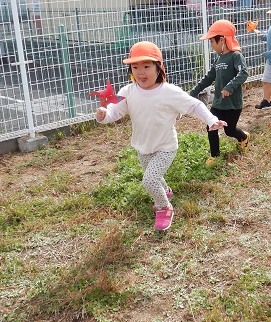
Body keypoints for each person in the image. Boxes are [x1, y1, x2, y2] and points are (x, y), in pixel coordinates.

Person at [96, 41, 226, 231]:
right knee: (153, 176)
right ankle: (165, 191)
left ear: (159, 68)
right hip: (142, 146)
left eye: (146, 66)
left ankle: (164, 207)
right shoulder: (128, 92)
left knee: (149, 180)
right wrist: (103, 115)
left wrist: (211, 119)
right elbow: (114, 112)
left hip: (165, 147)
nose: (140, 72)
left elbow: (194, 105)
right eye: (135, 67)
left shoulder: (169, 92)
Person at [189, 20, 250, 166]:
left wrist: (230, 87)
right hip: (218, 103)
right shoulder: (218, 59)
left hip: (233, 104)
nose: (211, 45)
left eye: (212, 41)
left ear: (221, 40)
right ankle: (215, 155)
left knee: (229, 131)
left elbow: (244, 73)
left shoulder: (235, 56)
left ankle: (243, 138)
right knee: (211, 126)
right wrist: (193, 92)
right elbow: (209, 77)